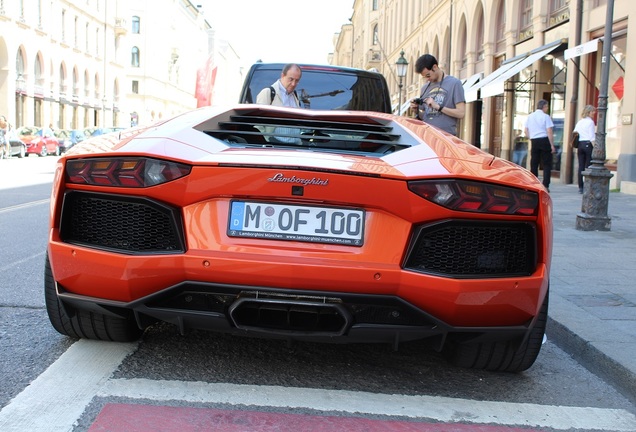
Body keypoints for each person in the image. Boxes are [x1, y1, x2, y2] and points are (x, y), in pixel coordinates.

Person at [410, 54, 465, 136]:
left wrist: (438, 107)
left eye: (428, 75)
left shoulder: (454, 83)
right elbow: (425, 116)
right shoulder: (424, 88)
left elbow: (461, 113)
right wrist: (416, 110)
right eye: (425, 77)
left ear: (435, 67)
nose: (427, 79)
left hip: (446, 137)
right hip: (427, 136)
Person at [256, 64, 303, 144]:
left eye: (297, 80)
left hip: (295, 146)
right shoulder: (268, 93)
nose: (293, 84)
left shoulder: (295, 96)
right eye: (291, 79)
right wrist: (266, 142)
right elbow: (257, 124)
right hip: (276, 145)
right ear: (282, 75)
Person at [524, 99, 555, 191]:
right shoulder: (546, 117)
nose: (547, 108)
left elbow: (526, 130)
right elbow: (549, 131)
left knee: (534, 162)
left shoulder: (530, 116)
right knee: (546, 164)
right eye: (547, 106)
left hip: (534, 140)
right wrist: (552, 145)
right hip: (544, 140)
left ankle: (533, 183)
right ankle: (545, 184)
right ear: (544, 107)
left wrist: (531, 137)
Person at [572, 105, 596, 194]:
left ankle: (580, 187)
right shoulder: (590, 122)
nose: (594, 113)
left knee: (581, 166)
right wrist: (595, 147)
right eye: (593, 111)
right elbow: (591, 137)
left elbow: (575, 132)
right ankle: (587, 185)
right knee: (588, 166)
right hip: (587, 144)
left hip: (580, 145)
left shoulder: (580, 122)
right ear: (589, 112)